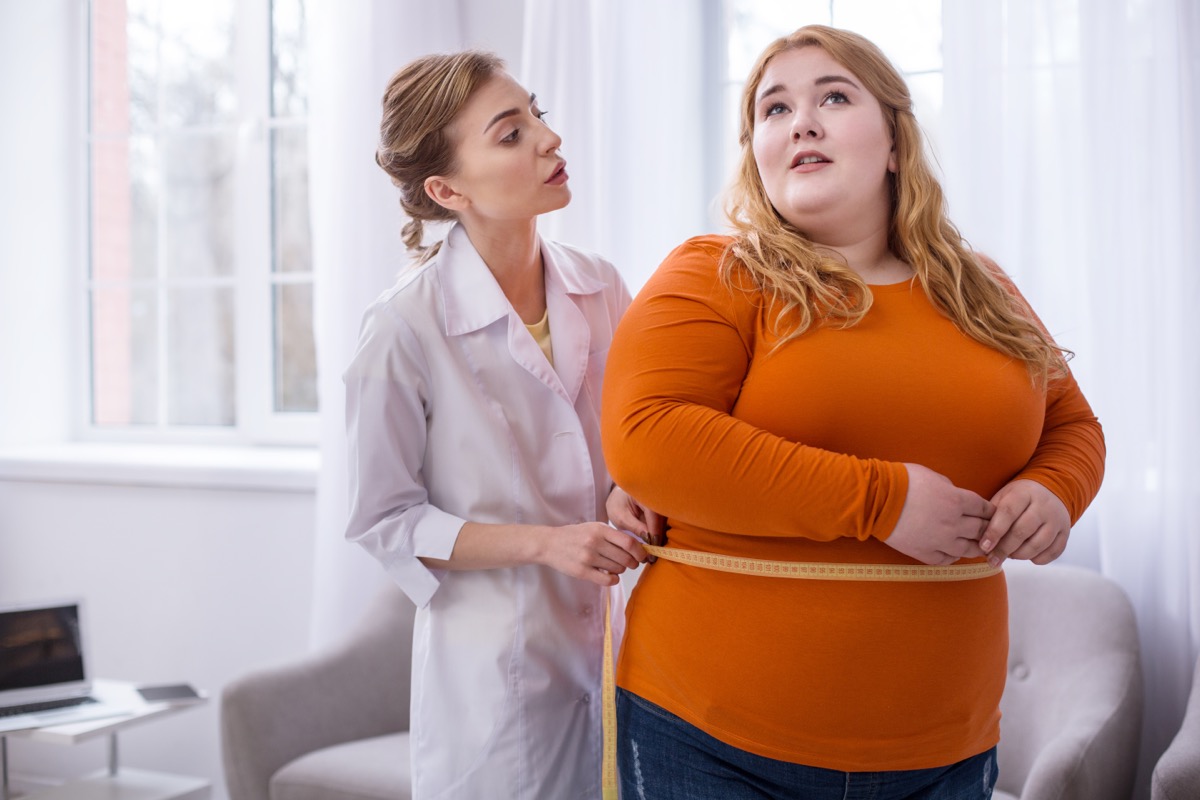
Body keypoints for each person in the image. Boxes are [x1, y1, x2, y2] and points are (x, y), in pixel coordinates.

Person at [600, 25, 1105, 800]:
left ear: (897, 143)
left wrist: (1054, 490)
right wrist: (882, 501)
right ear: (757, 153)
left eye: (833, 97)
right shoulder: (715, 274)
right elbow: (650, 438)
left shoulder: (984, 291)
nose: (801, 121)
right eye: (774, 109)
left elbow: (1073, 427)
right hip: (711, 742)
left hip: (948, 749)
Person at [343, 50, 654, 799]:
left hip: (621, 656)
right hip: (492, 684)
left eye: (537, 115)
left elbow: (630, 439)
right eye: (511, 134)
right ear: (449, 189)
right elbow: (386, 520)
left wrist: (621, 493)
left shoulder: (601, 285)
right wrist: (546, 543)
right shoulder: (402, 327)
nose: (549, 139)